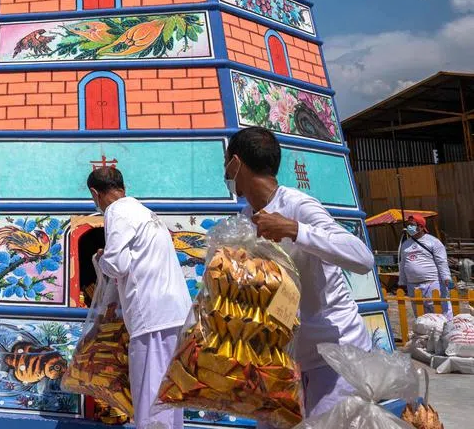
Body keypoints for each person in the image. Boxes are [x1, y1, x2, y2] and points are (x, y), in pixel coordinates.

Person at [224, 127, 375, 421]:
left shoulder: (298, 206)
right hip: (285, 360)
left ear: (236, 164)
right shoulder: (245, 219)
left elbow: (362, 257)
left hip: (334, 357)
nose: (225, 173)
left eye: (226, 163)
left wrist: (295, 230)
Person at [89, 165, 190, 429]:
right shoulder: (143, 211)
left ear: (95, 194)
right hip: (175, 313)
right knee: (168, 394)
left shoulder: (117, 211)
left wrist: (101, 260)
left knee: (149, 396)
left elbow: (116, 264)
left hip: (152, 316)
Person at [399, 214, 452, 317]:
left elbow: (442, 261)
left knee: (441, 314)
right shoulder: (405, 245)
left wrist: (446, 278)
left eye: (412, 225)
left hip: (432, 284)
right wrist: (402, 281)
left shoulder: (433, 242)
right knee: (421, 317)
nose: (409, 227)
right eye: (408, 224)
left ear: (421, 227)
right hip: (413, 286)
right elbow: (403, 264)